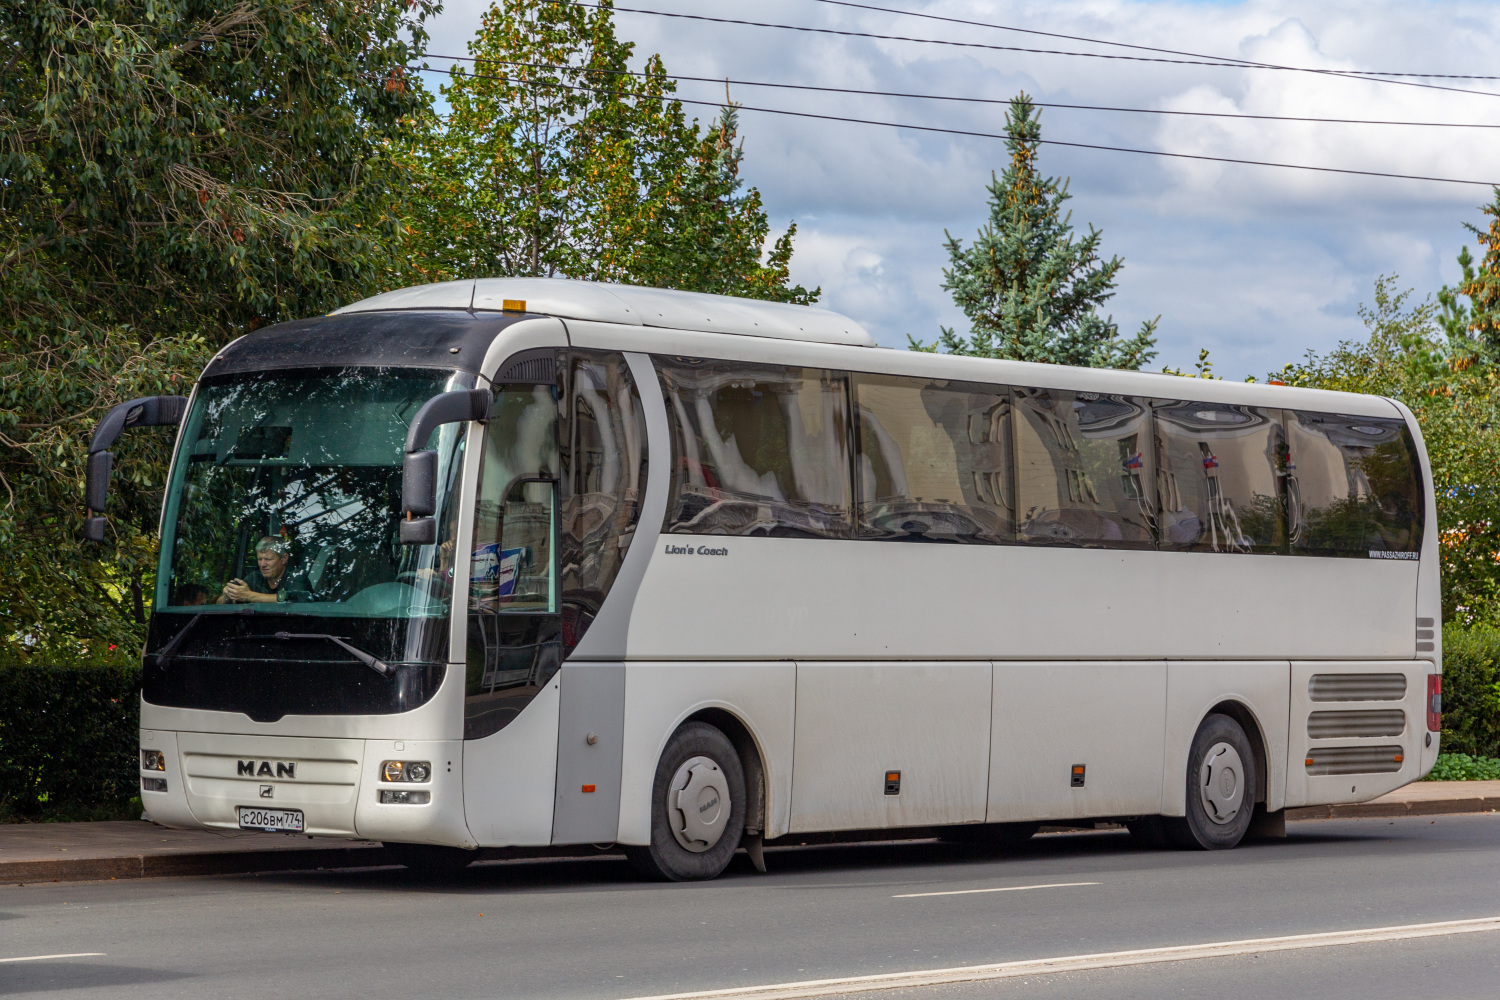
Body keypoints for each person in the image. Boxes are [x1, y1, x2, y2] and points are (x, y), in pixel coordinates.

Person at [220, 536, 311, 604]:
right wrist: (228, 596)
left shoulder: (296, 576)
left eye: (268, 559)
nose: (262, 564)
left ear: (284, 559)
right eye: (260, 559)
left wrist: (249, 596)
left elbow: (299, 599)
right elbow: (219, 603)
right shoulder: (255, 577)